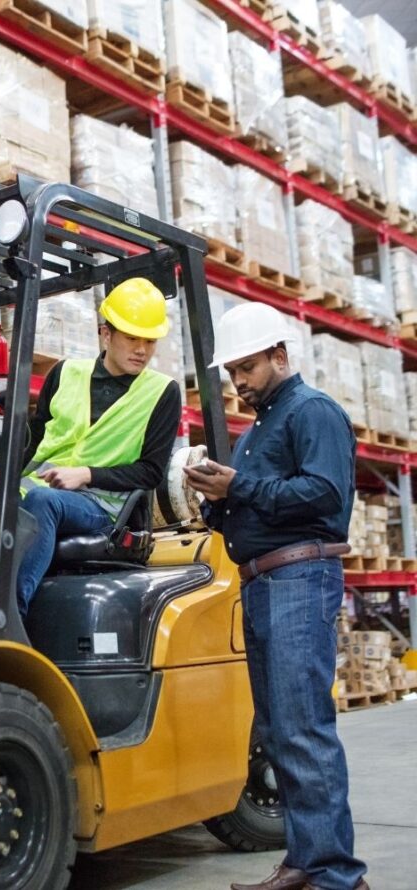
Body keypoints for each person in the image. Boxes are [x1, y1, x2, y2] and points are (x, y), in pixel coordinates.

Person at [184, 302, 368, 890]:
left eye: (247, 368)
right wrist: (215, 500)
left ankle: (336, 875)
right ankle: (305, 859)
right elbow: (259, 497)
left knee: (303, 727)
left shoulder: (312, 412)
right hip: (263, 582)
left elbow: (323, 493)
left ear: (280, 356)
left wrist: (239, 484)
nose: (238, 382)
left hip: (299, 579)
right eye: (231, 372)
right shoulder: (259, 428)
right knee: (276, 728)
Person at [15, 277, 181, 616]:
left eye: (150, 341)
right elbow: (34, 436)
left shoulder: (163, 392)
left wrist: (86, 475)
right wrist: (6, 472)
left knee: (43, 502)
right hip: (38, 489)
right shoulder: (65, 373)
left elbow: (150, 472)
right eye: (132, 338)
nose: (142, 350)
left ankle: (10, 613)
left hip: (102, 507)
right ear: (106, 334)